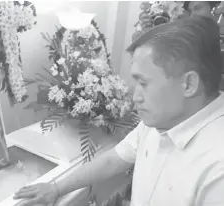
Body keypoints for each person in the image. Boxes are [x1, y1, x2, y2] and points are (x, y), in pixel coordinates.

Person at [14, 15, 224, 206]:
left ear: (188, 84)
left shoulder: (217, 169)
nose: (135, 97)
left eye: (143, 83)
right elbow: (113, 159)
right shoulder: (161, 120)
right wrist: (56, 188)